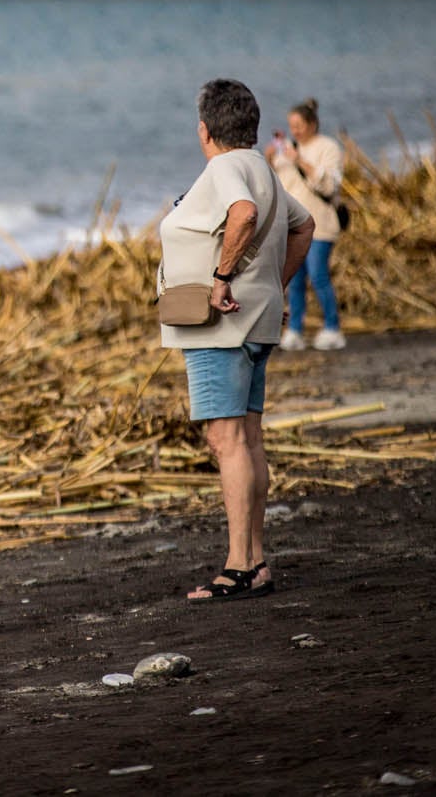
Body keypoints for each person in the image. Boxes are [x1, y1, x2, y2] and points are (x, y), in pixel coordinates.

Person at [158, 79, 314, 603]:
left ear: (205, 129)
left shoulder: (226, 167)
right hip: (258, 318)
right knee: (247, 438)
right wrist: (275, 284)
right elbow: (305, 225)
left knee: (227, 442)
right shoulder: (262, 166)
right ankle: (255, 560)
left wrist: (222, 278)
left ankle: (240, 565)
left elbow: (243, 214)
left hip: (222, 325)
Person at [269, 97, 346, 351]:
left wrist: (299, 160)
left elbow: (329, 184)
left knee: (318, 274)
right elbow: (276, 185)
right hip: (292, 228)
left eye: (300, 125)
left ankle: (333, 327)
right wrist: (270, 159)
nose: (295, 131)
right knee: (295, 279)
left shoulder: (328, 147)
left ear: (313, 124)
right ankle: (294, 331)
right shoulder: (287, 150)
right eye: (292, 125)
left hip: (320, 225)